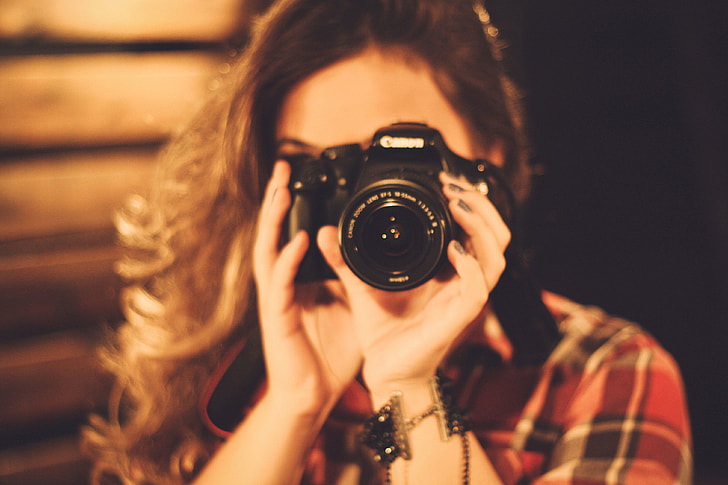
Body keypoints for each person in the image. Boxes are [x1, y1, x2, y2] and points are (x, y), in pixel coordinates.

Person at [82, 0, 693, 484]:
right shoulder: (244, 360)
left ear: (490, 160)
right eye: (322, 168)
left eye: (394, 163)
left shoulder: (602, 373)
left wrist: (409, 382)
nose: (365, 205)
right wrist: (294, 403)